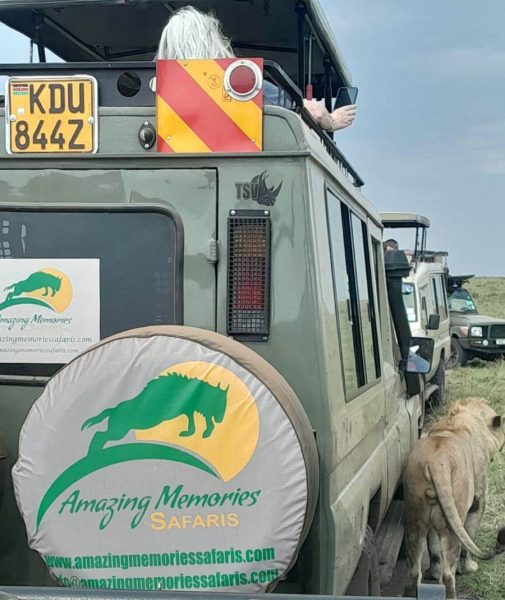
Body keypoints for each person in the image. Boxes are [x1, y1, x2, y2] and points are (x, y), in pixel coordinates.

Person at [155, 6, 357, 132]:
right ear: (212, 41)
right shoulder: (238, 84)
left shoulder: (153, 87)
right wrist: (333, 121)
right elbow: (313, 112)